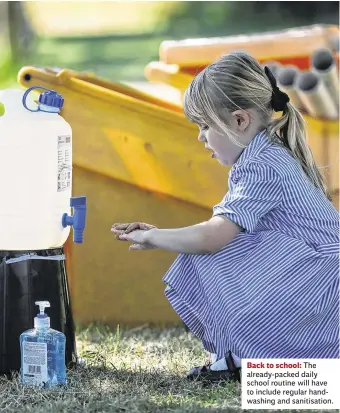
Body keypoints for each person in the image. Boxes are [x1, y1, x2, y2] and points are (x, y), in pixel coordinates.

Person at [112, 52, 339, 383]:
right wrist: (164, 233)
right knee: (215, 245)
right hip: (321, 284)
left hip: (324, 292)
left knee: (214, 248)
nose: (201, 137)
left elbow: (211, 238)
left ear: (240, 120)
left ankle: (257, 363)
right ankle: (249, 361)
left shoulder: (263, 164)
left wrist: (151, 237)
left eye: (205, 125)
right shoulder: (265, 152)